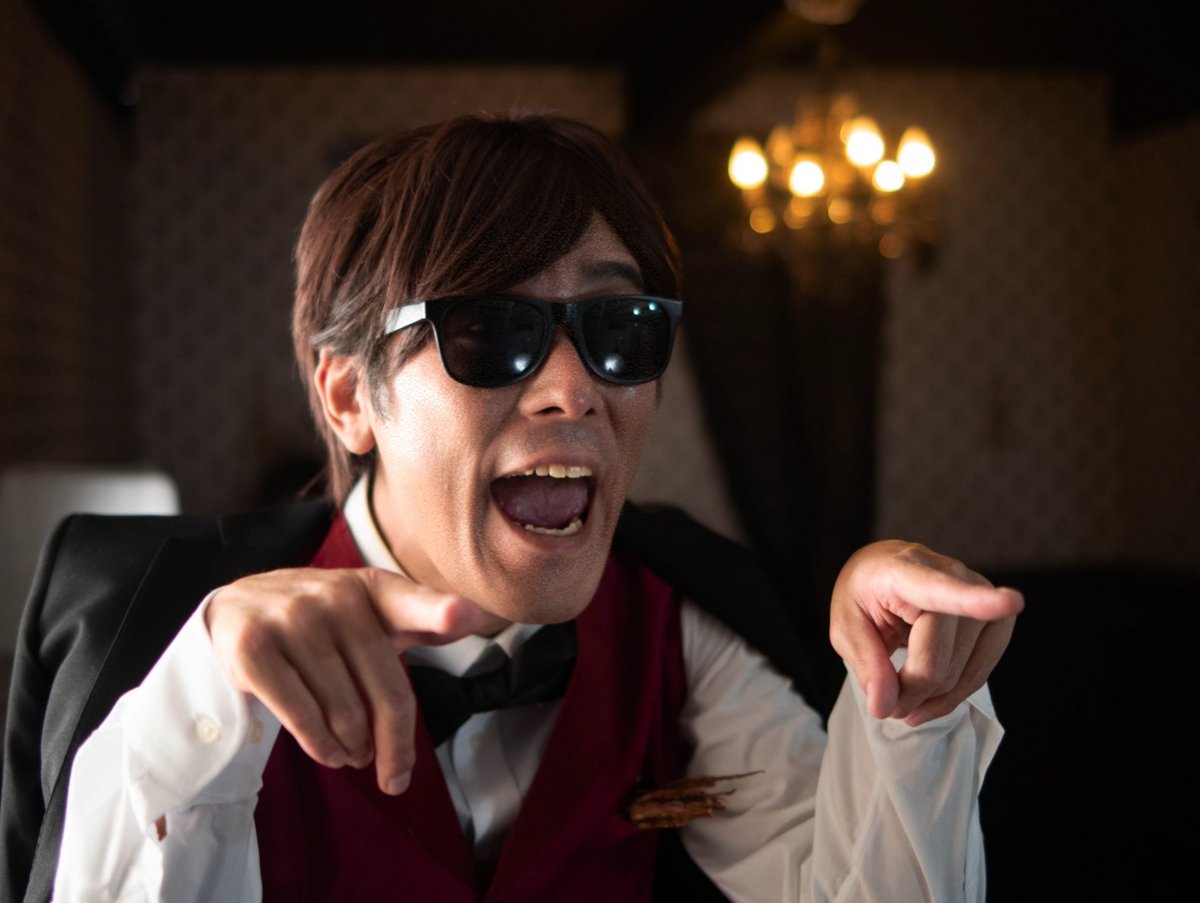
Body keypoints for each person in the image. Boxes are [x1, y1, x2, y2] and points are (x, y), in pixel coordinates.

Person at [0, 112, 1022, 902]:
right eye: (490, 330)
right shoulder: (144, 632)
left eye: (620, 327)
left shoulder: (680, 618)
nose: (575, 390)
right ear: (350, 397)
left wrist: (911, 708)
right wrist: (205, 703)